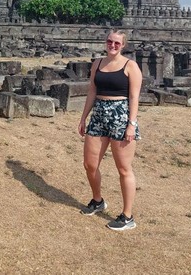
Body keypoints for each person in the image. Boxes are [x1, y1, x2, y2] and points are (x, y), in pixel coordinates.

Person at [77, 30, 142, 231]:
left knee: (123, 168)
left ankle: (127, 216)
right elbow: (92, 91)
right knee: (90, 164)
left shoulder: (130, 66)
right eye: (109, 41)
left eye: (117, 43)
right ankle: (97, 200)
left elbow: (134, 97)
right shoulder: (97, 64)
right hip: (99, 114)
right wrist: (83, 117)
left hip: (120, 116)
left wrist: (131, 124)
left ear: (123, 45)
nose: (112, 45)